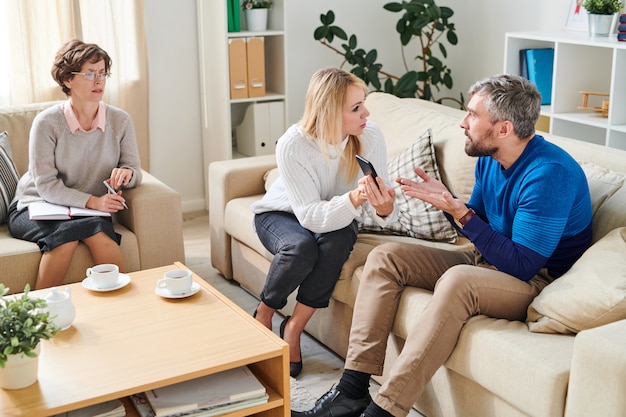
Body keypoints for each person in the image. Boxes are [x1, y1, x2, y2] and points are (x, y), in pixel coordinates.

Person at [293, 74, 593, 417]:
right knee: (386, 257)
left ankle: (386, 410)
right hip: (490, 260)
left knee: (458, 280)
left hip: (536, 280)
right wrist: (448, 204)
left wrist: (460, 212)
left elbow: (522, 264)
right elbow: (477, 220)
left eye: (472, 115)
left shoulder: (549, 175)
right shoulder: (489, 157)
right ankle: (351, 390)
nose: (463, 123)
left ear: (504, 129)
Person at [251, 67, 398, 378]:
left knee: (340, 239)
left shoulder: (370, 136)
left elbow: (382, 212)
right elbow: (309, 217)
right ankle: (263, 313)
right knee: (301, 247)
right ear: (331, 112)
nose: (367, 113)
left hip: (336, 216)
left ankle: (293, 328)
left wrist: (384, 207)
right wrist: (356, 200)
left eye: (364, 103)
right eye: (356, 108)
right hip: (283, 214)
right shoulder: (293, 144)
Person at [8, 39, 142, 289]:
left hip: (86, 210)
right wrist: (95, 202)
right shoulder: (47, 123)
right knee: (65, 240)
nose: (99, 80)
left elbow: (135, 171)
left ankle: (127, 307)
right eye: (90, 74)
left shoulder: (120, 120)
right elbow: (46, 186)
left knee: (101, 237)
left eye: (102, 73)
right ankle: (41, 316)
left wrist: (126, 173)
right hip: (36, 204)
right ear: (68, 79)